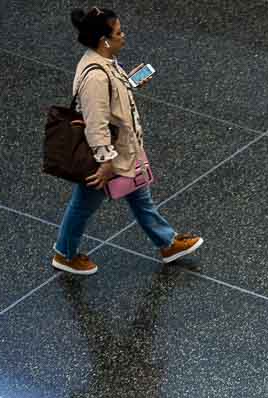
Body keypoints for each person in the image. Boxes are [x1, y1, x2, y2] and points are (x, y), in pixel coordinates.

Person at [50, 6, 203, 276]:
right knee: (83, 205)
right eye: (119, 32)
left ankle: (167, 243)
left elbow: (110, 99)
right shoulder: (96, 76)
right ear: (104, 40)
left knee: (140, 196)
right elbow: (96, 123)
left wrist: (127, 84)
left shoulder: (104, 62)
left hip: (124, 151)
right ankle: (65, 254)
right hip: (107, 159)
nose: (124, 36)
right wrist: (106, 162)